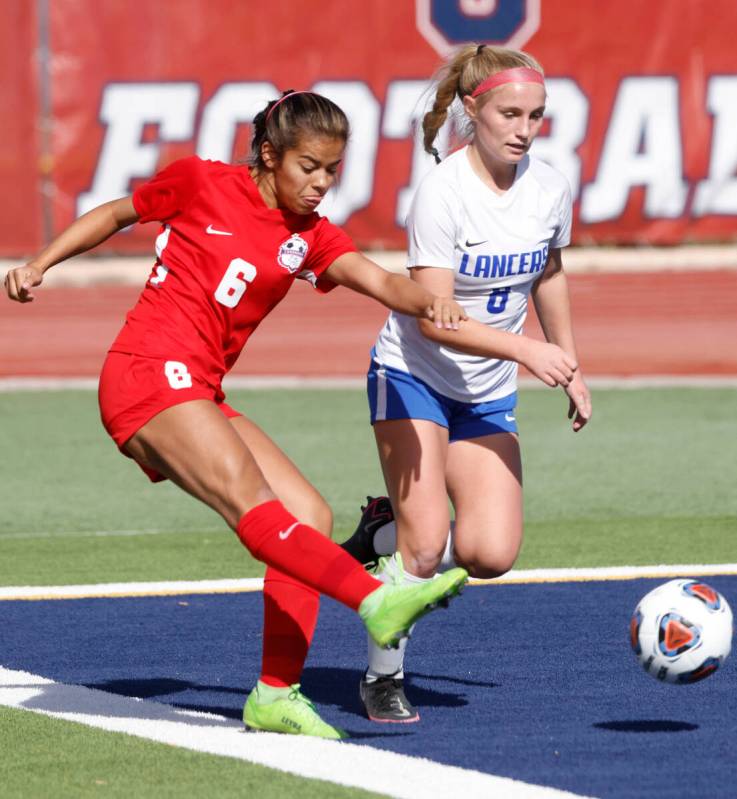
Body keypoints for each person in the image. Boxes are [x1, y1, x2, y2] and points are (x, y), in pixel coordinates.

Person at [4, 89, 470, 739]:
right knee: (254, 506)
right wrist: (38, 263)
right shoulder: (200, 182)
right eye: (308, 165)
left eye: (332, 169)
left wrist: (430, 301)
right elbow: (115, 214)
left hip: (200, 387)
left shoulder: (307, 236)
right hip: (145, 372)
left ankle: (275, 693)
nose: (321, 183)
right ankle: (373, 599)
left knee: (307, 514)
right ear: (269, 155)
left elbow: (377, 279)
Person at [341, 45, 592, 723]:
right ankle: (381, 675)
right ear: (471, 110)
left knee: (489, 551)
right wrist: (523, 348)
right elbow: (432, 320)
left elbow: (548, 272)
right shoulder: (443, 192)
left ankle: (380, 530)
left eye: (536, 115)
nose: (523, 128)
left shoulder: (547, 188)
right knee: (427, 547)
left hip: (484, 391)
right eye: (509, 113)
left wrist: (567, 362)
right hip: (412, 376)